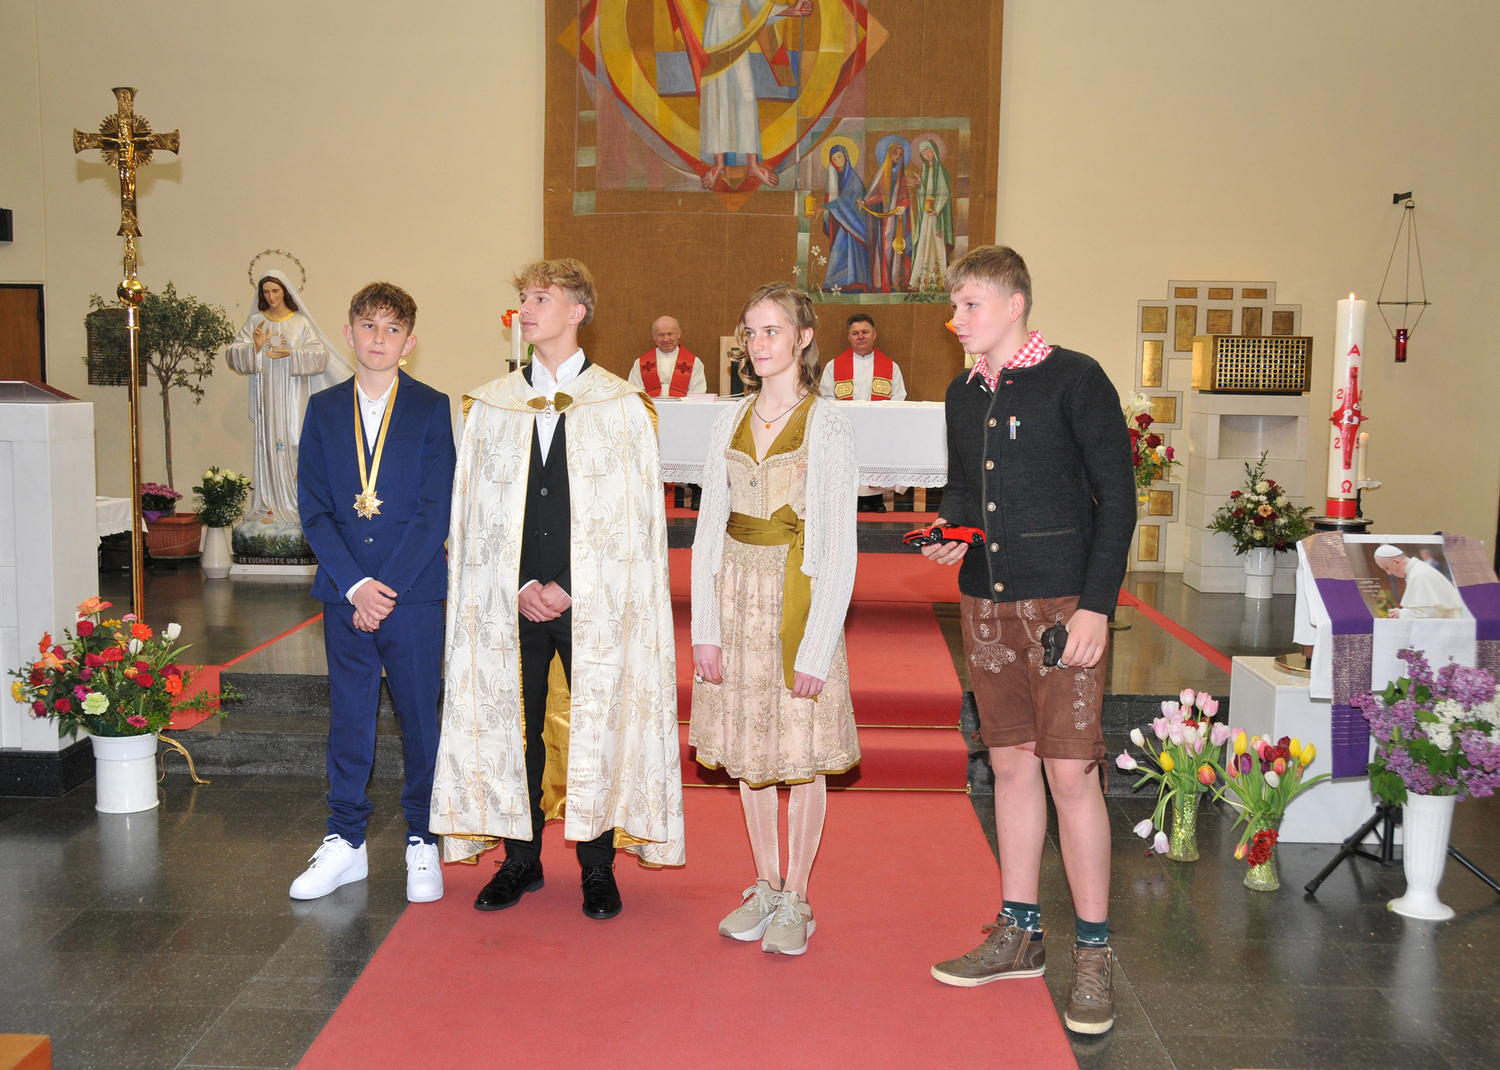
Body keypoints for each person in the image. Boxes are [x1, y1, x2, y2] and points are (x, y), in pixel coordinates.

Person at [430, 258, 683, 921]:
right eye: (524, 297)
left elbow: (632, 520)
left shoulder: (621, 406)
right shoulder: (491, 405)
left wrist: (571, 586)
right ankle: (521, 861)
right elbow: (476, 516)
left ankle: (597, 868)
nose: (527, 308)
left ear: (577, 312)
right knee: (516, 728)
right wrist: (516, 582)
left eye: (541, 297)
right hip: (510, 599)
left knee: (598, 721)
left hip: (591, 601)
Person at [922, 246, 1134, 1035]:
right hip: (986, 603)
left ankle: (1093, 952)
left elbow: (1118, 499)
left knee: (1071, 773)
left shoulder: (1076, 379)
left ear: (1014, 304)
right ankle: (1020, 933)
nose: (956, 319)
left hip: (1062, 606)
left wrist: (1096, 608)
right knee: (1010, 765)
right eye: (955, 305)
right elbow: (962, 488)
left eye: (970, 304)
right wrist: (949, 530)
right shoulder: (962, 391)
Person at [690, 282, 860, 956]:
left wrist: (815, 647)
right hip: (735, 598)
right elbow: (707, 526)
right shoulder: (727, 420)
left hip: (797, 597)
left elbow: (839, 545)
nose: (759, 344)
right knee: (749, 750)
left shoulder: (826, 423)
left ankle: (798, 897)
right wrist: (705, 628)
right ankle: (764, 884)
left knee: (799, 752)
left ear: (803, 337)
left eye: (773, 330)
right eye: (751, 331)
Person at [289, 282, 456, 905]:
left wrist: (385, 590)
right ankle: (346, 841)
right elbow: (313, 508)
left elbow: (435, 510)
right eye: (368, 326)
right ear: (349, 332)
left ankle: (422, 838)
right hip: (344, 591)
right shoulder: (323, 409)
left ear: (409, 343)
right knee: (349, 718)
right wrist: (355, 585)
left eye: (392, 329)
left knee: (418, 717)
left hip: (411, 594)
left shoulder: (431, 407)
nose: (378, 338)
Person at [226, 271, 353, 549]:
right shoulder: (256, 322)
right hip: (268, 400)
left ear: (285, 291)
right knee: (268, 448)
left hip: (294, 397)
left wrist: (291, 354)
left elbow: (320, 357)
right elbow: (233, 354)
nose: (271, 296)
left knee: (295, 444)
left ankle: (296, 506)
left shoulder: (299, 323)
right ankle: (269, 506)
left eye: (275, 290)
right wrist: (254, 347)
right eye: (266, 292)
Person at [696, 1, 812, 189]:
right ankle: (719, 164)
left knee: (746, 94)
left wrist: (793, 10)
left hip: (737, 33)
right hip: (713, 34)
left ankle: (752, 165)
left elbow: (759, 5)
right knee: (717, 94)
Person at [820, 313, 907, 510]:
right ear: (849, 337)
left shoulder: (890, 367)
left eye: (865, 332)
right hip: (846, 427)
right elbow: (826, 397)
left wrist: (880, 417)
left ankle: (876, 499)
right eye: (855, 333)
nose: (860, 337)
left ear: (874, 335)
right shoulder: (834, 366)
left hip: (878, 427)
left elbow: (899, 396)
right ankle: (855, 499)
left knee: (877, 454)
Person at [861, 141, 913, 293]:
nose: (897, 157)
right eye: (895, 154)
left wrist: (904, 206)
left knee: (898, 249)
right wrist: (865, 202)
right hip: (885, 218)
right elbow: (875, 194)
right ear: (889, 155)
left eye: (900, 155)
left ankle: (897, 281)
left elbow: (907, 196)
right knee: (885, 248)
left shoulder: (903, 175)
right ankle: (884, 282)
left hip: (899, 218)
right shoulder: (883, 173)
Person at [821, 144, 871, 293]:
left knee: (846, 249)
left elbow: (845, 200)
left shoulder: (853, 177)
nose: (838, 160)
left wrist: (822, 207)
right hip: (840, 220)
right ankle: (838, 284)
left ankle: (854, 282)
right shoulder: (834, 176)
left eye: (839, 156)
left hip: (853, 222)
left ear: (846, 156)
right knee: (839, 251)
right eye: (834, 158)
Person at [1373, 545, 1466, 619]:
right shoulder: (1417, 570)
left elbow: (1429, 613)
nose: (1389, 573)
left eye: (1387, 568)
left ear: (1396, 561)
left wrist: (1401, 613)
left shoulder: (1418, 574)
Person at [909, 139, 954, 293]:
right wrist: (919, 185)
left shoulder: (940, 170)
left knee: (937, 243)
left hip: (936, 215)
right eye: (923, 154)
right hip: (927, 213)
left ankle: (938, 280)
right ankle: (921, 280)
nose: (926, 155)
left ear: (933, 151)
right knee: (924, 241)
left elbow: (944, 192)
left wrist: (937, 209)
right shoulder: (925, 170)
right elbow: (923, 193)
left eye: (928, 151)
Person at [629, 316, 707, 398]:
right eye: (661, 335)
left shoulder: (694, 363)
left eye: (670, 334)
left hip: (683, 406)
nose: (666, 339)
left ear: (679, 333)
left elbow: (697, 395)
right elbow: (634, 394)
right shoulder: (641, 363)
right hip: (650, 406)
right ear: (654, 336)